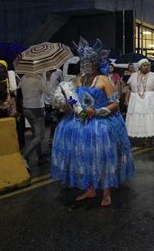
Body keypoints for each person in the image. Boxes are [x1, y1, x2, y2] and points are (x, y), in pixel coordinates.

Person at [51, 38, 135, 207]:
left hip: (101, 125)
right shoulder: (80, 80)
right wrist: (67, 105)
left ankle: (106, 192)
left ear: (95, 64)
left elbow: (115, 105)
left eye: (88, 62)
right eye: (83, 62)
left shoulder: (104, 80)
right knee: (86, 157)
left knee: (101, 158)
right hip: (81, 123)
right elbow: (75, 100)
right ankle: (90, 189)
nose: (85, 65)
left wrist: (96, 111)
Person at [125, 59, 154, 146]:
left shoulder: (152, 75)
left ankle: (149, 138)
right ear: (140, 66)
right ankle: (141, 139)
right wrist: (127, 99)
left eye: (147, 65)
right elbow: (129, 88)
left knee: (149, 119)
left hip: (149, 100)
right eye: (144, 65)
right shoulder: (134, 75)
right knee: (139, 119)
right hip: (136, 100)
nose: (146, 67)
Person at [44, 68, 64, 145]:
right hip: (43, 100)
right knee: (46, 119)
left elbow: (62, 84)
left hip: (54, 100)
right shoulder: (42, 71)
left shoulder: (58, 72)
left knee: (53, 120)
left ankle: (51, 137)